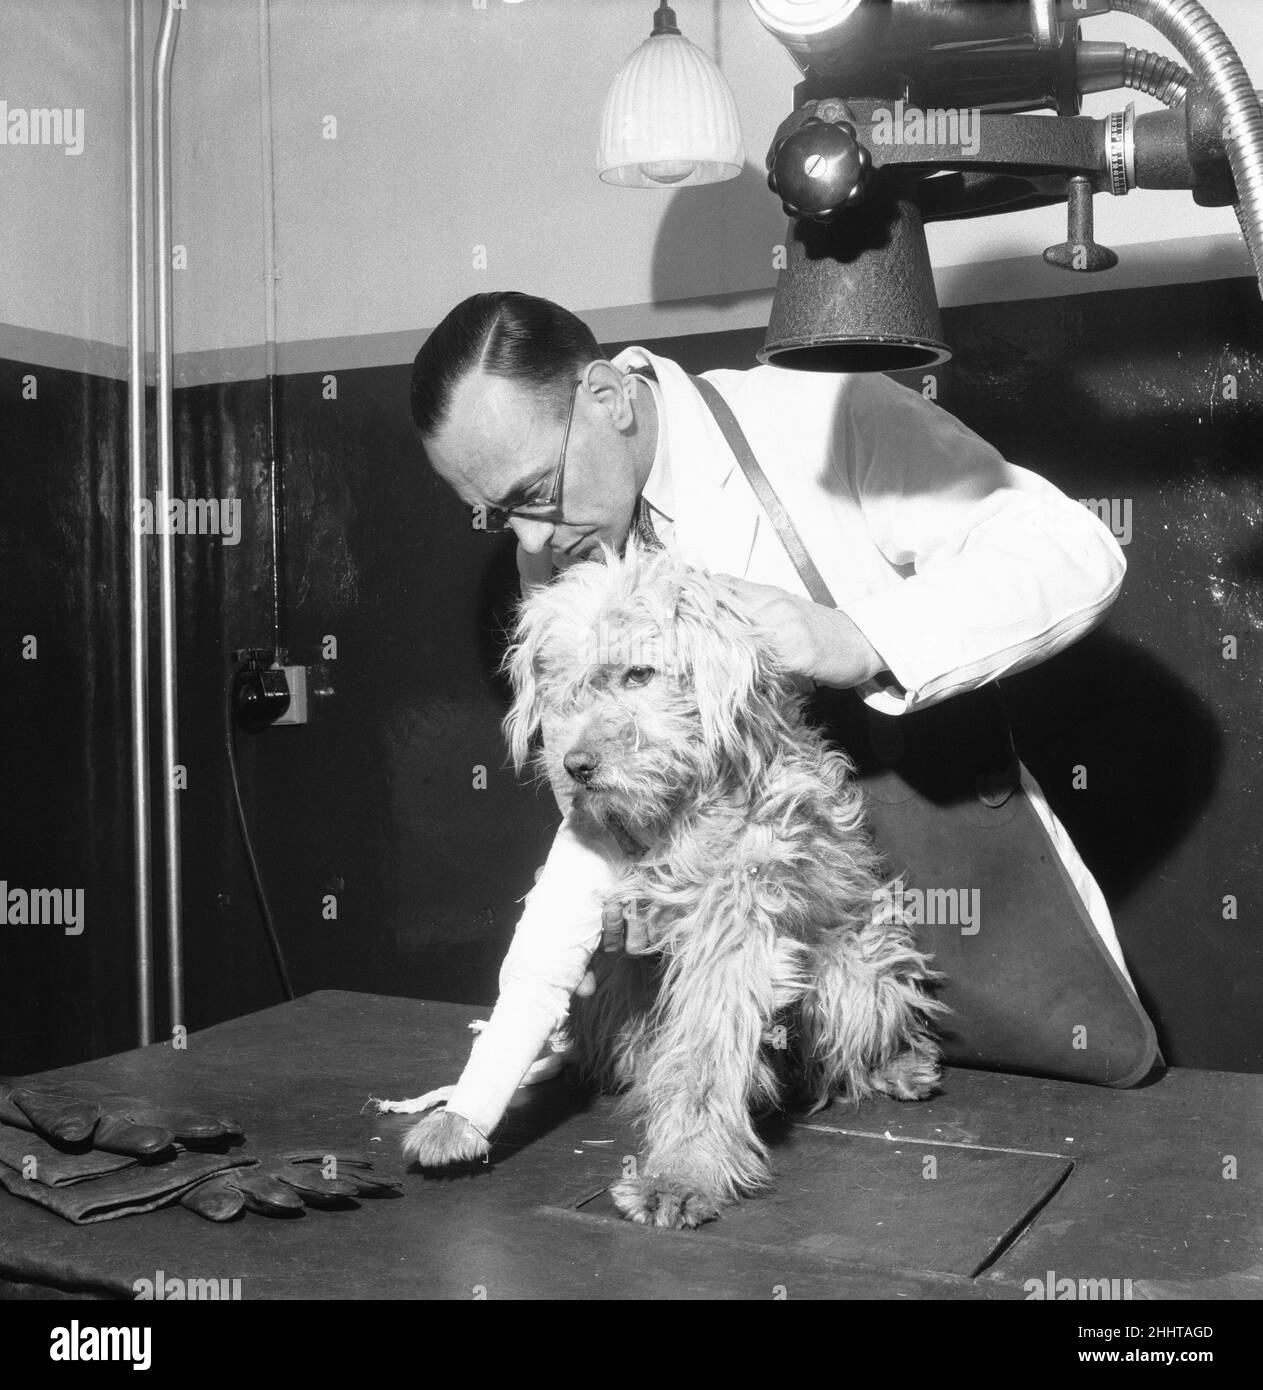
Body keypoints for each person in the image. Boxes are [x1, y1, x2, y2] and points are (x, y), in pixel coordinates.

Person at [410, 290, 1150, 1146]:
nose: (531, 540)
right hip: (740, 1012)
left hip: (943, 934)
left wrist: (856, 636)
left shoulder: (819, 412)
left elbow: (1070, 549)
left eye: (535, 493)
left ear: (607, 398)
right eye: (504, 515)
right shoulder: (559, 543)